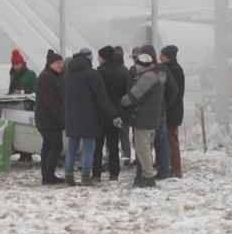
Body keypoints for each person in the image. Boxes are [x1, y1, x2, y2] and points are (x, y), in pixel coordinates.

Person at [62, 47, 119, 186]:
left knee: (72, 148)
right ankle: (86, 177)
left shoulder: (68, 74)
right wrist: (114, 114)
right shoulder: (92, 74)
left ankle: (69, 177)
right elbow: (102, 97)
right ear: (89, 58)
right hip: (89, 117)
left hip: (72, 117)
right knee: (88, 148)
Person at [119, 46, 167, 188]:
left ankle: (148, 177)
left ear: (142, 65)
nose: (135, 66)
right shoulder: (154, 74)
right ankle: (147, 175)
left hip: (143, 119)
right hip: (151, 118)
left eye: (137, 64)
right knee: (146, 148)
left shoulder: (147, 77)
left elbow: (133, 96)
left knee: (142, 149)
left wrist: (122, 101)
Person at [97, 45, 131, 179]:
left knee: (98, 146)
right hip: (117, 114)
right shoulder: (123, 72)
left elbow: (99, 95)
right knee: (113, 144)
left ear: (103, 58)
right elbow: (126, 93)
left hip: (101, 114)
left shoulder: (99, 73)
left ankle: (96, 173)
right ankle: (114, 173)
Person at [34, 50, 66, 184]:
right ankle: (48, 176)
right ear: (51, 64)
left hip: (46, 119)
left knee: (48, 146)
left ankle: (46, 174)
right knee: (55, 146)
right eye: (57, 62)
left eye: (61, 62)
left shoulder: (53, 75)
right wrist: (62, 120)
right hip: (49, 120)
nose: (60, 65)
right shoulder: (47, 77)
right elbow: (52, 103)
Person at [160, 44, 186, 179]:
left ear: (168, 57)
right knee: (168, 140)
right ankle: (171, 167)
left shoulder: (174, 71)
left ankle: (176, 169)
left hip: (172, 111)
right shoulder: (169, 69)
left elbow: (171, 92)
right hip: (171, 110)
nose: (160, 58)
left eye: (162, 56)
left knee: (172, 140)